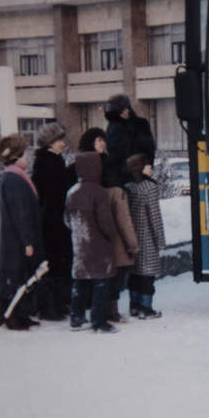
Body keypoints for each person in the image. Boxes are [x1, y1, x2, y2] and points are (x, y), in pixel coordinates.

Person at [79, 127, 139, 323]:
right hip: (103, 227)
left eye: (103, 140)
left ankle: (105, 309)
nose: (102, 144)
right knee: (111, 271)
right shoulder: (86, 171)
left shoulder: (111, 164)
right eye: (97, 141)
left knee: (114, 271)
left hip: (106, 225)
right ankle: (105, 310)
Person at [0, 133, 44, 331]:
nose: (27, 157)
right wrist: (27, 241)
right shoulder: (14, 179)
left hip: (17, 239)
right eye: (24, 154)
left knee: (23, 276)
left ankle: (22, 314)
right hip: (17, 241)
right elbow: (20, 212)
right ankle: (12, 317)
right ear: (16, 156)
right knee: (16, 277)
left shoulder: (15, 176)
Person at [65, 151, 119, 333]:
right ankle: (99, 321)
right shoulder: (98, 192)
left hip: (79, 245)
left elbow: (66, 220)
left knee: (80, 281)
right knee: (101, 282)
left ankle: (76, 318)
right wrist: (113, 235)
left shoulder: (72, 192)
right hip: (99, 245)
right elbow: (106, 222)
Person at [31, 122, 75, 321]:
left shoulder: (50, 159)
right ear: (50, 142)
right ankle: (53, 306)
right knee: (57, 262)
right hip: (53, 222)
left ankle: (58, 304)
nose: (63, 143)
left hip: (53, 220)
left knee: (59, 262)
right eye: (59, 140)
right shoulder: (48, 162)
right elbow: (56, 190)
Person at [125, 153, 166, 318]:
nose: (151, 168)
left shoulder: (128, 187)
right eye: (148, 165)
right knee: (148, 275)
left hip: (131, 236)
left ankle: (134, 306)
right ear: (140, 169)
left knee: (134, 273)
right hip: (147, 235)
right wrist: (160, 241)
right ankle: (146, 308)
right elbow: (154, 216)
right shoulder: (150, 188)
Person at [104, 94, 156, 187]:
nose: (126, 111)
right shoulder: (114, 128)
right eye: (122, 110)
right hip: (123, 178)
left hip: (141, 173)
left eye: (127, 108)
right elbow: (115, 155)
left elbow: (150, 149)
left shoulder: (141, 124)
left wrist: (148, 166)